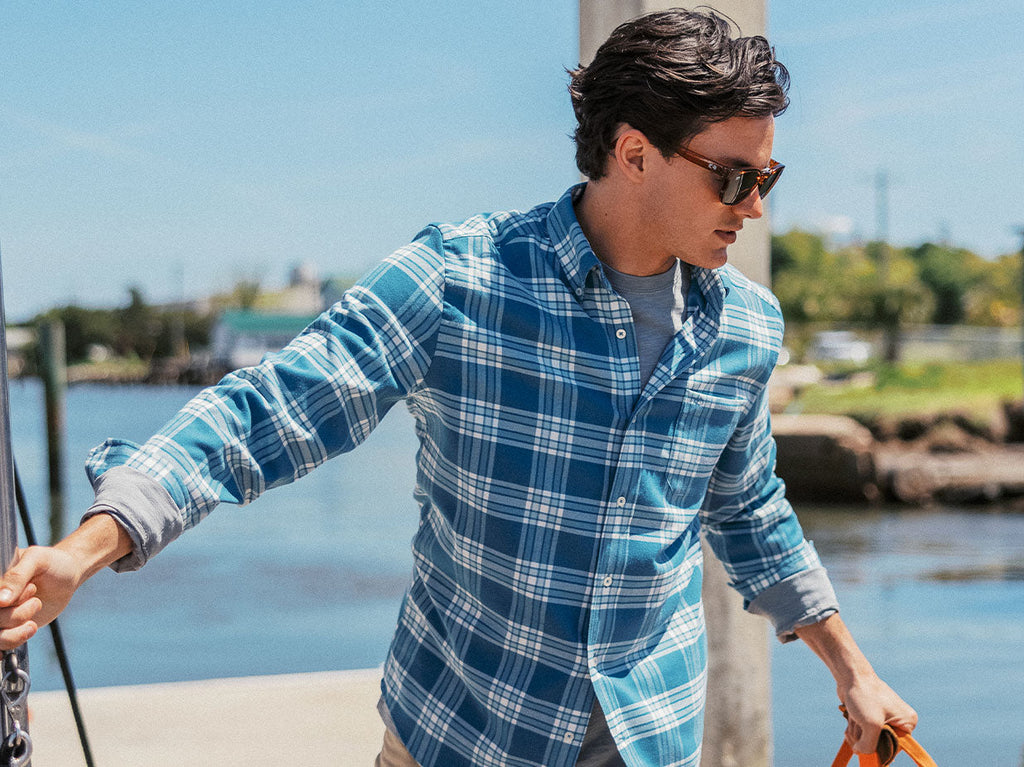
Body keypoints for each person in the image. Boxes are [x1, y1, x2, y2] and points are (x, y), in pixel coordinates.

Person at [0, 8, 917, 767]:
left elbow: (749, 511)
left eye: (768, 176)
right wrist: (85, 548)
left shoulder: (745, 328)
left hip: (653, 741)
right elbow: (270, 410)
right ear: (635, 153)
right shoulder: (457, 280)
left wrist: (852, 667)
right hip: (463, 738)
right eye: (734, 176)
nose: (756, 205)